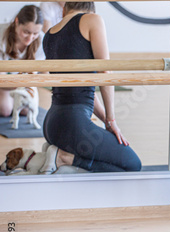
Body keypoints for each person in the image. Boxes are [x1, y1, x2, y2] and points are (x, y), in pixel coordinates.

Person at [41, 2, 141, 173]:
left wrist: (106, 123)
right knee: (132, 165)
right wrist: (111, 119)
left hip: (51, 124)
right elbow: (104, 71)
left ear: (64, 9)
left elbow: (82, 89)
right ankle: (65, 158)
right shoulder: (92, 20)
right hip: (73, 126)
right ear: (91, 7)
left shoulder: (49, 34)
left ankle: (62, 157)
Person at [0, 5, 45, 117]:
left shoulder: (41, 40)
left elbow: (33, 75)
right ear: (16, 22)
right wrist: (20, 84)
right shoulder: (1, 34)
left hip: (23, 84)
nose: (30, 38)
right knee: (5, 110)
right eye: (26, 32)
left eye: (35, 33)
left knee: (26, 110)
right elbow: (1, 77)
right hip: (4, 83)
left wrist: (23, 85)